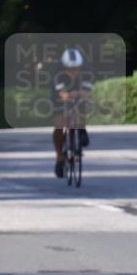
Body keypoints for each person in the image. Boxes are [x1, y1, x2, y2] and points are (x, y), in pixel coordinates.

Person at [52, 48, 92, 178]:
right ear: (63, 66)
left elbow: (86, 92)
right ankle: (59, 158)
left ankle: (82, 129)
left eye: (76, 68)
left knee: (83, 103)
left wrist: (78, 95)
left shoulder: (86, 69)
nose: (73, 71)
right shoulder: (57, 70)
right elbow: (62, 94)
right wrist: (68, 95)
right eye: (70, 69)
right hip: (60, 93)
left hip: (77, 89)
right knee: (59, 124)